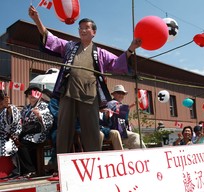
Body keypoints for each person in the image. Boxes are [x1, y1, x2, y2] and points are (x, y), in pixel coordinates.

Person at [28, 6, 142, 155]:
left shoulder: (100, 52)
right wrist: (37, 19)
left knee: (92, 130)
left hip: (90, 94)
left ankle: (93, 162)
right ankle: (62, 164)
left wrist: (131, 48)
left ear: (94, 32)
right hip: (68, 92)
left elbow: (117, 63)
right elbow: (50, 38)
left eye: (86, 28)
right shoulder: (69, 46)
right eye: (80, 28)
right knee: (64, 129)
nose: (82, 30)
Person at [17, 86, 53, 178]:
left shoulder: (44, 105)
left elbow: (49, 121)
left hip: (39, 132)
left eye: (34, 93)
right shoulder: (26, 108)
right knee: (17, 142)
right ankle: (28, 169)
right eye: (29, 94)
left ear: (39, 95)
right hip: (27, 132)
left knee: (24, 143)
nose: (31, 95)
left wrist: (40, 116)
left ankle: (31, 170)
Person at [106, 85, 146, 149]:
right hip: (113, 131)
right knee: (135, 136)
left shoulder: (120, 105)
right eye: (119, 93)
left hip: (122, 131)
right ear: (114, 94)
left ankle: (142, 154)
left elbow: (123, 116)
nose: (121, 95)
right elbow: (117, 110)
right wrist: (134, 103)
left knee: (136, 138)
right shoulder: (111, 103)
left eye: (123, 93)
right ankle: (143, 154)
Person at [0, 91, 22, 177]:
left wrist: (8, 109)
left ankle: (12, 171)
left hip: (10, 136)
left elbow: (12, 123)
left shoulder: (11, 108)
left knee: (6, 146)